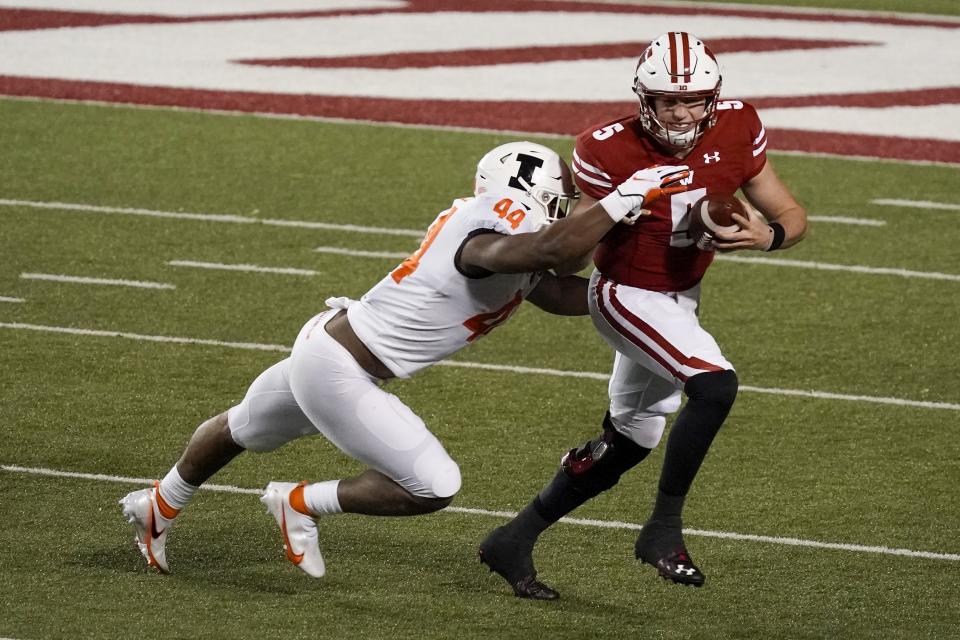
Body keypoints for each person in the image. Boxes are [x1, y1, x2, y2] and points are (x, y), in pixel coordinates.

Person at [119, 140, 691, 579]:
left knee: (242, 426)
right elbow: (548, 250)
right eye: (559, 201)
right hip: (340, 367)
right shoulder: (494, 222)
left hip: (327, 347)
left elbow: (563, 289)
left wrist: (644, 296)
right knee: (433, 485)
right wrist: (621, 201)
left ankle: (160, 502)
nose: (565, 211)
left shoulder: (510, 238)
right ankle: (299, 502)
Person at [479, 31, 808, 599]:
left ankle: (514, 538)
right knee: (715, 387)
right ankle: (662, 530)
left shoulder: (738, 124)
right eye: (667, 101)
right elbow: (575, 249)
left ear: (714, 97)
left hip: (681, 297)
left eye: (692, 100)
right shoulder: (606, 147)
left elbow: (790, 213)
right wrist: (614, 210)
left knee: (632, 437)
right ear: (643, 99)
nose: (681, 113)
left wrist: (769, 235)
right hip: (626, 294)